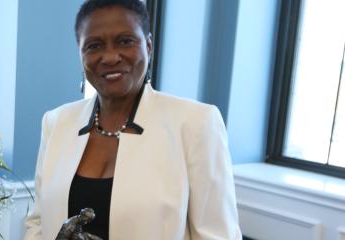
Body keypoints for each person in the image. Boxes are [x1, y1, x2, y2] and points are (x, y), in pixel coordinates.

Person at [23, 0, 242, 239]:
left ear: (148, 46)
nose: (110, 57)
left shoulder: (196, 123)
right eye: (94, 46)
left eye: (125, 41)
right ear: (80, 54)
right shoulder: (56, 122)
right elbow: (39, 223)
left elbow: (218, 235)